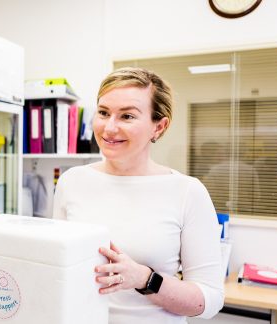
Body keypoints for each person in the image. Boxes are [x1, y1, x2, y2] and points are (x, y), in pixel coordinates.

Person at [52, 67, 224, 324]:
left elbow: (209, 300)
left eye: (127, 116)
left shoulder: (188, 192)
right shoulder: (71, 181)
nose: (109, 128)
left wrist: (145, 279)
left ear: (159, 126)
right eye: (103, 112)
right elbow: (58, 268)